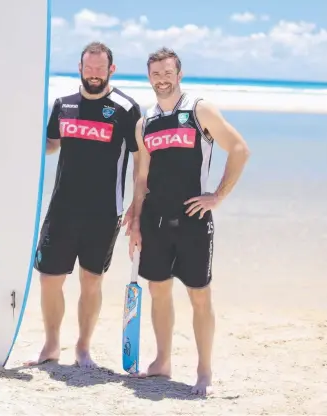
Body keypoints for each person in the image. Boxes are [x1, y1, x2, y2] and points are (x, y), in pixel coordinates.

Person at [126, 47, 250, 395]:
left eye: (168, 73)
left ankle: (204, 371)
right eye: (155, 74)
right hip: (155, 221)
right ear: (148, 77)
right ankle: (162, 362)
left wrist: (218, 196)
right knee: (158, 291)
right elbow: (141, 178)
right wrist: (135, 222)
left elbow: (240, 149)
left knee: (199, 296)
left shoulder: (199, 111)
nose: (162, 80)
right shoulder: (144, 122)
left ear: (179, 74)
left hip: (194, 220)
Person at [24, 41, 142, 368]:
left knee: (91, 281)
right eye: (88, 69)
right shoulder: (63, 105)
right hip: (61, 208)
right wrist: (21, 136)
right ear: (80, 68)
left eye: (99, 69)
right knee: (49, 278)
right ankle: (50, 346)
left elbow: (140, 161)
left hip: (104, 212)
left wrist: (137, 206)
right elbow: (50, 144)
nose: (93, 75)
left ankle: (83, 347)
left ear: (111, 70)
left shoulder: (126, 108)